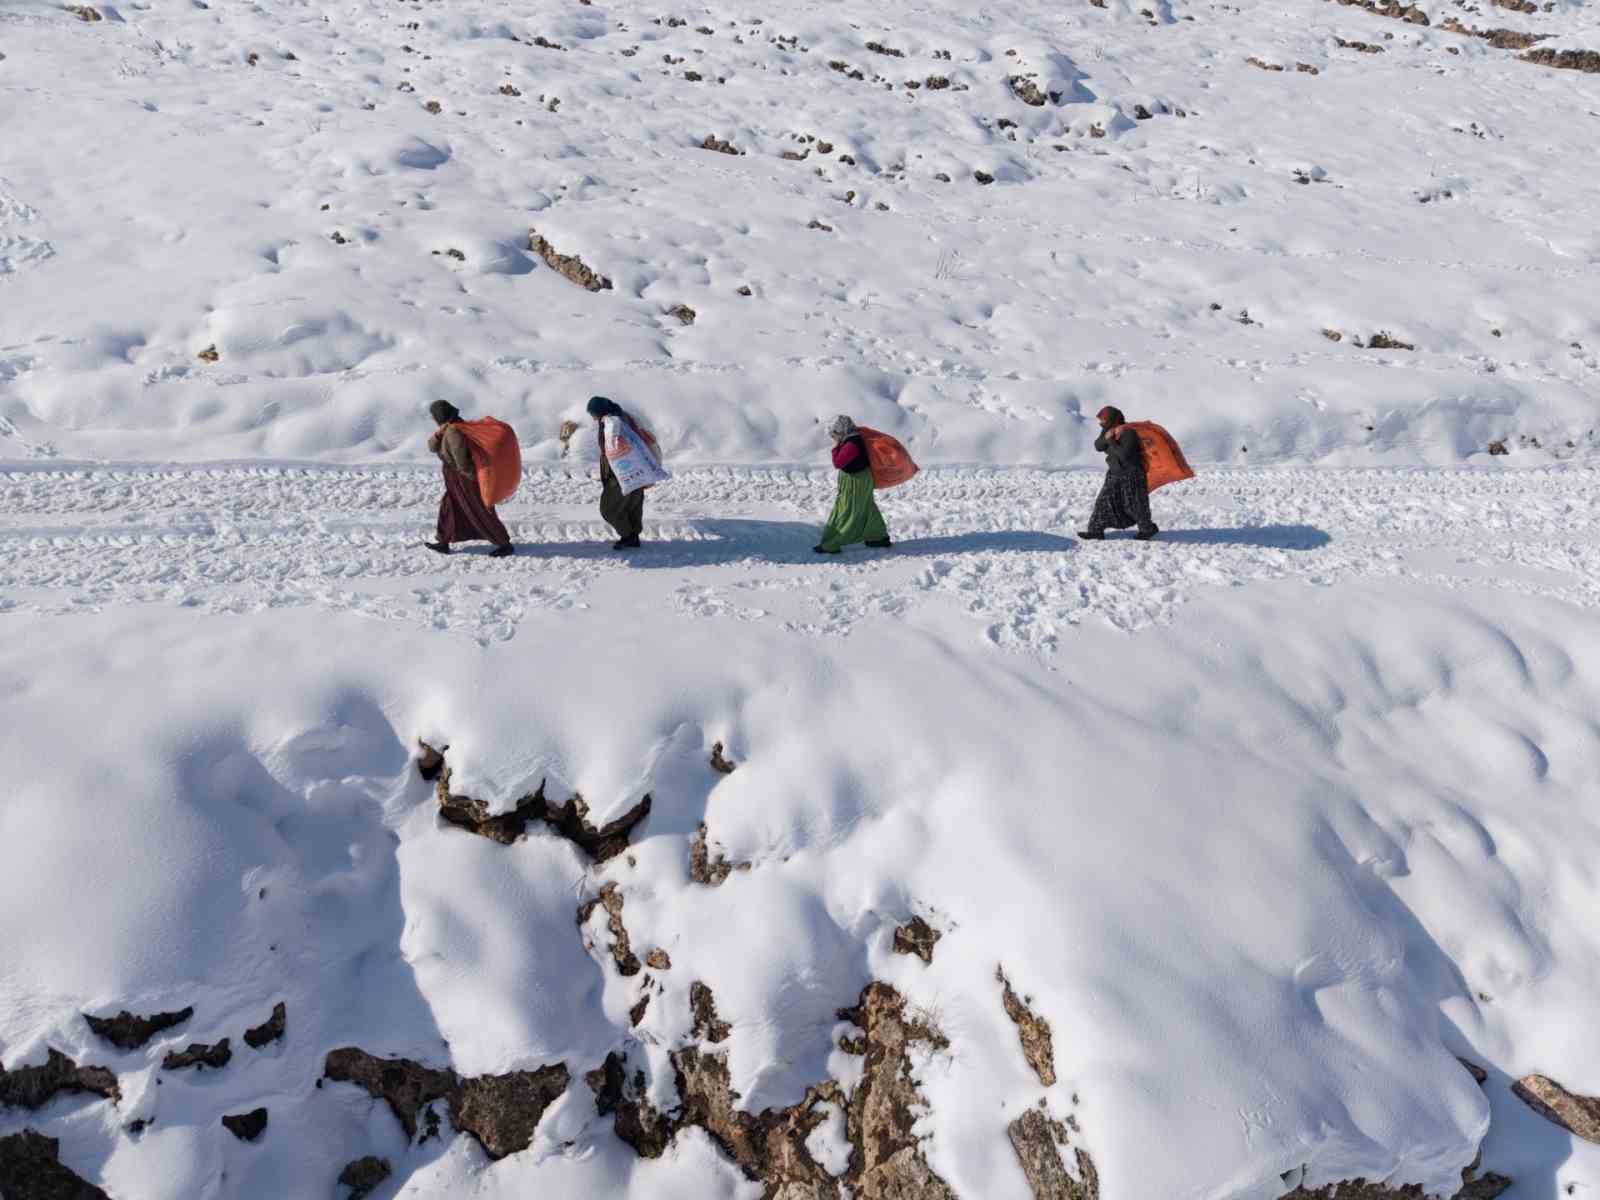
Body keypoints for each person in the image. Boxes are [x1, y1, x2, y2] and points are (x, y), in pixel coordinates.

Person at [424, 400, 514, 557]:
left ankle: (504, 544)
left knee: (479, 508)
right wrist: (439, 433)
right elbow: (432, 446)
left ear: (440, 415)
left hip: (462, 477)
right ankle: (443, 541)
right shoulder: (449, 428)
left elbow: (461, 459)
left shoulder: (454, 431)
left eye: (434, 415)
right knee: (449, 506)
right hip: (454, 476)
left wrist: (471, 478)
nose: (433, 418)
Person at [815, 415, 892, 554]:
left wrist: (836, 446)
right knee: (866, 506)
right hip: (860, 479)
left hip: (856, 482)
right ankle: (879, 537)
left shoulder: (852, 444)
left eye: (834, 433)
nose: (833, 437)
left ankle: (832, 543)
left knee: (847, 510)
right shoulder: (853, 439)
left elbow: (837, 463)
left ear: (841, 430)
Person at [1079, 406, 1158, 541]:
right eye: (1101, 420)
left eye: (1103, 420)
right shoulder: (1108, 430)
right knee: (1103, 502)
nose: (1101, 423)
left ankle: (1147, 529)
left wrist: (1111, 440)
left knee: (1134, 504)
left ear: (1112, 419)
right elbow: (1098, 446)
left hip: (1131, 473)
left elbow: (1124, 455)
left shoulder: (1128, 432)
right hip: (1115, 472)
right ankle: (1095, 530)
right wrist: (1107, 435)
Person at [587, 395, 649, 550]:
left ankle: (628, 536)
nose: (593, 418)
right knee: (632, 505)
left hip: (621, 473)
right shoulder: (622, 418)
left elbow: (616, 449)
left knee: (609, 509)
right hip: (637, 471)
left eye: (593, 414)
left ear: (601, 411)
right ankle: (633, 537)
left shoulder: (613, 423)